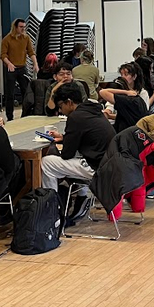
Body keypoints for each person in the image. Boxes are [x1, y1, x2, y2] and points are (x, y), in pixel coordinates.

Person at [42, 83, 115, 226]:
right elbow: (87, 135)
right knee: (64, 163)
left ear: (69, 102)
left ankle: (52, 213)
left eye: (61, 106)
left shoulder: (75, 117)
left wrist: (66, 142)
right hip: (110, 164)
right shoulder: (92, 109)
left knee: (47, 163)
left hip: (97, 168)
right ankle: (81, 196)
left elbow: (67, 154)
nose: (60, 110)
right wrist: (65, 137)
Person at [0, 18, 34, 121]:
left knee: (26, 91)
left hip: (22, 67)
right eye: (21, 27)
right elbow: (3, 55)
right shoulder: (7, 39)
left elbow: (31, 52)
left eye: (24, 27)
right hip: (11, 68)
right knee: (10, 93)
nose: (23, 29)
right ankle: (10, 116)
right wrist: (9, 63)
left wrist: (36, 64)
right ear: (15, 27)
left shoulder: (26, 38)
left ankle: (26, 113)